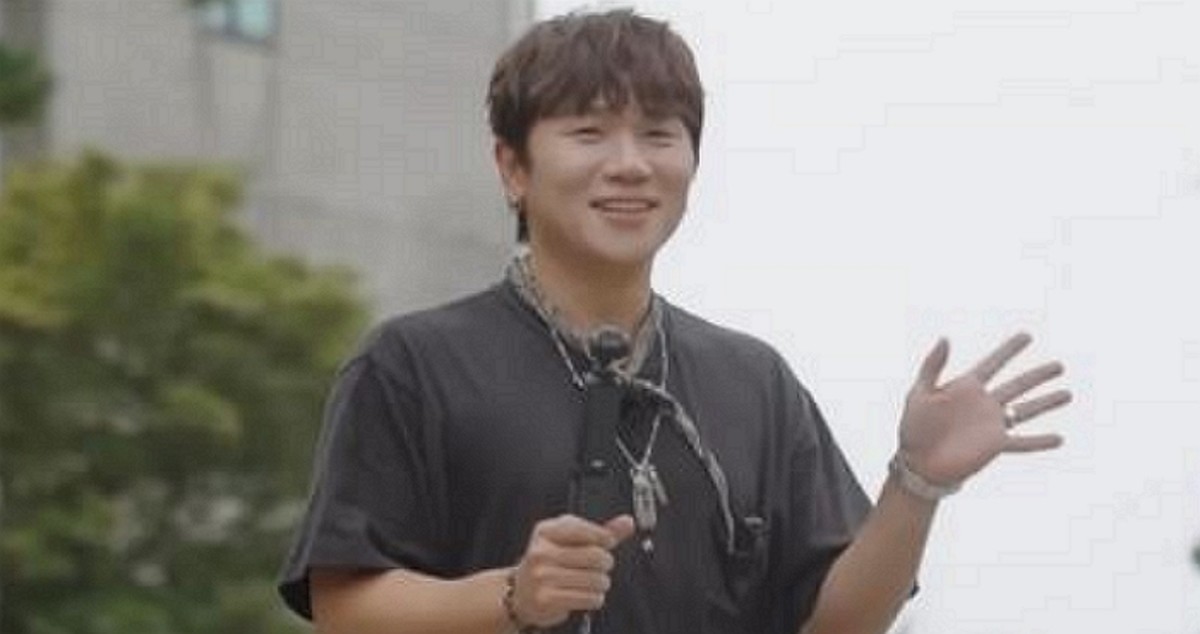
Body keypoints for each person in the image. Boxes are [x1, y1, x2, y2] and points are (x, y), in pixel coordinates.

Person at [278, 9, 1072, 634]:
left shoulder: (753, 381)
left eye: (660, 134)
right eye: (588, 133)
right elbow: (344, 607)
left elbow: (835, 624)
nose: (630, 164)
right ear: (512, 167)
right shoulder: (413, 364)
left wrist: (917, 482)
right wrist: (513, 595)